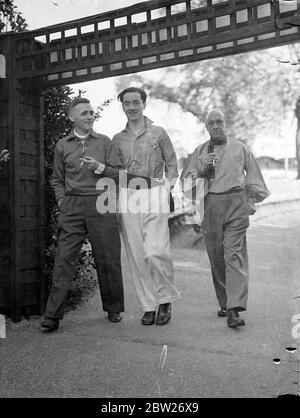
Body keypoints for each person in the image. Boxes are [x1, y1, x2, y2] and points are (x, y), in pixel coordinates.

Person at [41, 97, 154, 332]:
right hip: (72, 205)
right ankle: (52, 315)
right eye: (83, 113)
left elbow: (118, 173)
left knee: (108, 257)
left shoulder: (104, 142)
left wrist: (100, 168)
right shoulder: (63, 145)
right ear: (72, 117)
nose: (90, 116)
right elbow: (57, 179)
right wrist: (62, 201)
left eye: (91, 113)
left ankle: (114, 308)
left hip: (102, 202)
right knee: (64, 259)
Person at [180, 109, 269, 328]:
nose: (216, 126)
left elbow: (255, 177)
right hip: (210, 206)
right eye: (212, 123)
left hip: (236, 205)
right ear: (207, 127)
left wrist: (250, 200)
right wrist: (202, 169)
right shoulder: (200, 152)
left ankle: (235, 309)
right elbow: (185, 185)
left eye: (220, 121)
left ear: (226, 124)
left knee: (234, 256)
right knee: (217, 257)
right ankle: (225, 302)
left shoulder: (240, 148)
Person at [107, 87, 180, 326]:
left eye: (135, 102)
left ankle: (165, 299)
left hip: (155, 192)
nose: (131, 107)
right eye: (126, 103)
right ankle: (149, 305)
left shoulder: (158, 132)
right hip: (129, 196)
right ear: (123, 107)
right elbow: (113, 172)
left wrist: (167, 188)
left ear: (144, 104)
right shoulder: (118, 139)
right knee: (137, 254)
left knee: (156, 250)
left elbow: (172, 163)